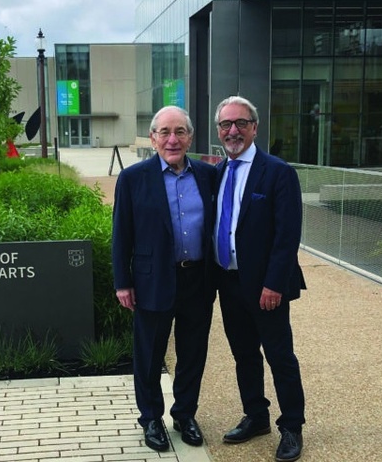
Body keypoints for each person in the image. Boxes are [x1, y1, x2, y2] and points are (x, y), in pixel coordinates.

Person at [112, 105, 217, 452]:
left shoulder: (207, 174)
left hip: (197, 281)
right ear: (154, 137)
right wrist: (121, 281)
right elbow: (121, 234)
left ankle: (185, 414)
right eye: (165, 132)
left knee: (192, 354)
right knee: (149, 355)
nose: (173, 139)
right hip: (151, 281)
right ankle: (151, 419)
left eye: (180, 132)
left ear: (189, 137)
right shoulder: (133, 178)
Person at [213, 95, 307, 462]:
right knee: (243, 354)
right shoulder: (219, 171)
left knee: (280, 356)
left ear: (254, 127)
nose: (232, 130)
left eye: (240, 123)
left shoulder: (277, 172)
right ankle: (256, 416)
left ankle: (292, 427)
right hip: (229, 282)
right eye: (226, 125)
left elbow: (287, 236)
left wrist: (274, 284)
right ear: (219, 131)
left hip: (265, 287)